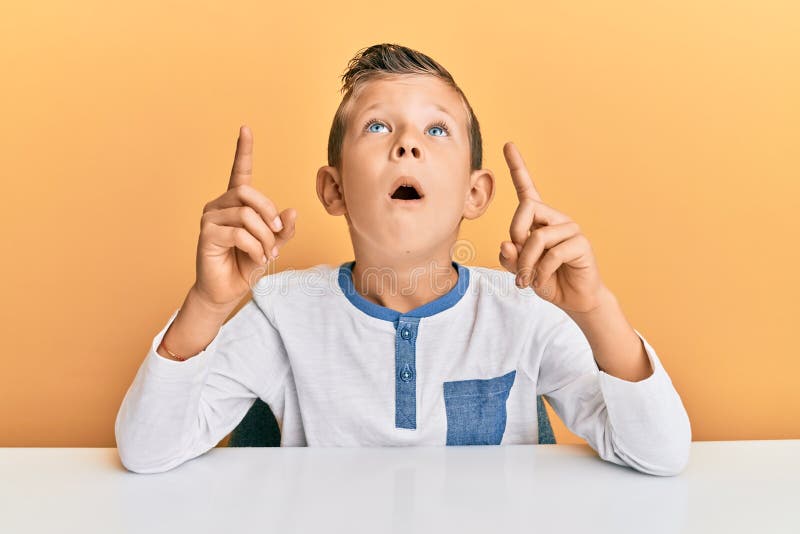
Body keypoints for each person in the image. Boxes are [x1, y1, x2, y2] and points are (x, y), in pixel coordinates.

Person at [115, 43, 691, 475]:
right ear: (334, 190)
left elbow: (660, 453)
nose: (407, 144)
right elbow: (147, 451)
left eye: (437, 129)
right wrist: (208, 304)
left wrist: (594, 308)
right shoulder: (282, 313)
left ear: (476, 193)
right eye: (378, 126)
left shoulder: (525, 311)